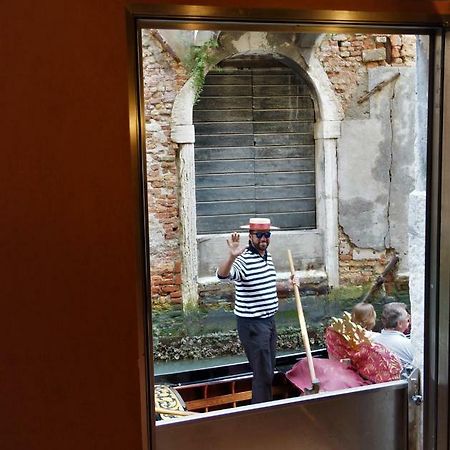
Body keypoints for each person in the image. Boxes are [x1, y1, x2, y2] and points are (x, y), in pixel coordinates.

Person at [216, 217, 279, 403]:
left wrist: (290, 284)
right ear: (250, 236)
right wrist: (231, 256)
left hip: (269, 322)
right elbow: (223, 275)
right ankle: (261, 416)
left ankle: (263, 409)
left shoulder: (268, 257)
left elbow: (267, 285)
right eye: (259, 235)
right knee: (263, 374)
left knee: (269, 370)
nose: (264, 239)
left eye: (267, 235)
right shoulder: (243, 260)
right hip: (252, 324)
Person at [372, 302, 414, 366]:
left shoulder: (373, 341)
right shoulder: (408, 345)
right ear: (399, 324)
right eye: (407, 319)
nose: (409, 320)